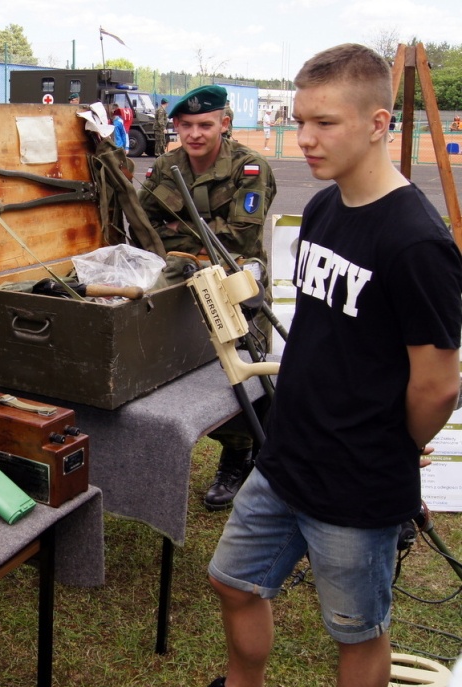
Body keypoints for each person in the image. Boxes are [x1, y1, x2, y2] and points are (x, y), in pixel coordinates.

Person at [206, 43, 462, 687]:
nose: (305, 139)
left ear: (379, 123)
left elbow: (439, 386)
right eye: (300, 121)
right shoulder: (321, 208)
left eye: (325, 123)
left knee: (355, 632)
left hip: (359, 481)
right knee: (232, 582)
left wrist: (391, 446)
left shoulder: (417, 243)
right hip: (288, 455)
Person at [138, 84, 277, 510]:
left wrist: (180, 240)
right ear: (175, 126)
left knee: (240, 373)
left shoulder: (250, 168)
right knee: (186, 369)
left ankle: (240, 458)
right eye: (186, 125)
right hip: (182, 281)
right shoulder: (166, 166)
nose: (195, 133)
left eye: (205, 124)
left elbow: (241, 235)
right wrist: (188, 246)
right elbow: (143, 225)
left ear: (225, 124)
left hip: (236, 283)